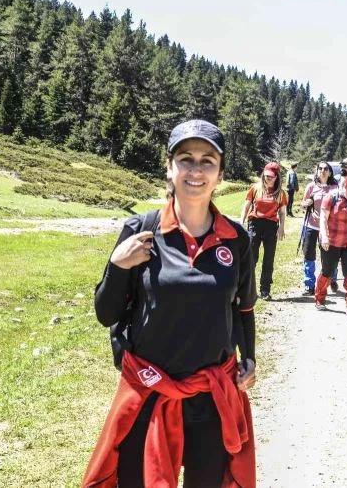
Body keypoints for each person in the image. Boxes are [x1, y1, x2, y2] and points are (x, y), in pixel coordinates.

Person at [84, 119, 257, 488]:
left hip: (211, 395)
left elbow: (242, 308)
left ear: (221, 173)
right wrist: (117, 266)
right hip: (149, 391)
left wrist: (250, 357)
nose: (196, 170)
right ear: (169, 166)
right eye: (186, 158)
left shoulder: (237, 239)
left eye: (207, 161)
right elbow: (106, 313)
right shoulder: (140, 230)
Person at [315, 174, 347, 317]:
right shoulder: (331, 197)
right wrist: (324, 236)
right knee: (327, 271)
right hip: (332, 241)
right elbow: (323, 218)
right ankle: (320, 298)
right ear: (345, 186)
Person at [241, 162, 287, 300]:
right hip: (255, 223)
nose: (268, 179)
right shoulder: (255, 188)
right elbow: (247, 204)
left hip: (271, 225)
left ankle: (265, 290)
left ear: (277, 177)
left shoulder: (280, 193)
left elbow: (282, 212)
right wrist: (241, 221)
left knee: (268, 259)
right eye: (266, 176)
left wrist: (281, 227)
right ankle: (247, 289)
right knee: (251, 258)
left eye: (271, 177)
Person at [299, 162, 339, 295]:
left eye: (325, 169)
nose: (322, 171)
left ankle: (331, 279)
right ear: (316, 171)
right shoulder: (311, 186)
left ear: (330, 172)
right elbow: (302, 205)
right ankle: (309, 285)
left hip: (328, 227)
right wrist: (307, 203)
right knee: (309, 255)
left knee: (329, 255)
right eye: (320, 169)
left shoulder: (335, 187)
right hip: (311, 224)